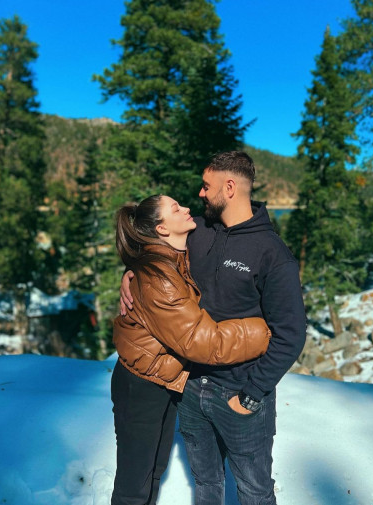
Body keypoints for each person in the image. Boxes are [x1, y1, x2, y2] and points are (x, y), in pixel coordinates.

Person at [120, 152, 307, 505]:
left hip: (241, 393)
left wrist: (252, 393)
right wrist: (131, 273)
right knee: (206, 484)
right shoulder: (198, 230)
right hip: (191, 387)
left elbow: (292, 333)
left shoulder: (272, 253)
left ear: (229, 187)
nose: (200, 194)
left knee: (254, 491)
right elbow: (156, 249)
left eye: (207, 186)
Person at [111, 194, 272, 505]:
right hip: (140, 385)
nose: (187, 209)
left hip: (160, 378)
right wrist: (263, 331)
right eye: (176, 208)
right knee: (134, 484)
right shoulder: (160, 277)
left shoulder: (173, 257)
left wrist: (131, 269)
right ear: (161, 229)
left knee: (152, 472)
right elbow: (203, 342)